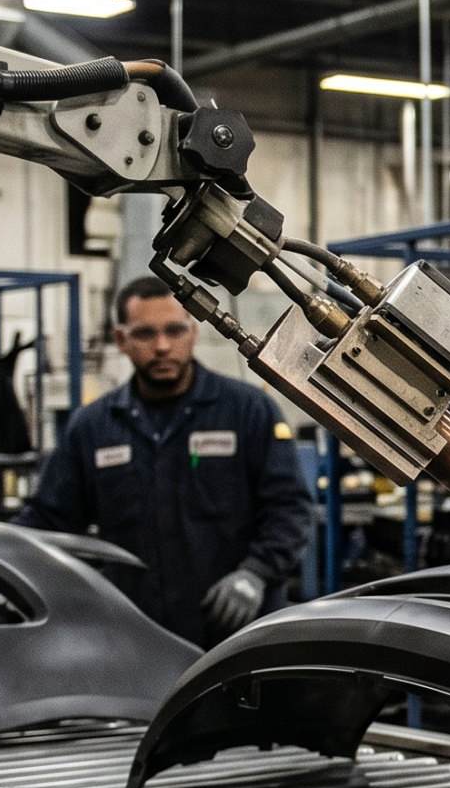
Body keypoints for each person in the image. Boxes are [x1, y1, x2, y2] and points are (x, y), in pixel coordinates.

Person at [17, 276, 313, 645]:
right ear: (121, 340)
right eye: (144, 334)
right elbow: (48, 521)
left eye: (174, 330)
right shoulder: (93, 427)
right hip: (136, 638)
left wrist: (255, 573)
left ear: (193, 332)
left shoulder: (248, 411)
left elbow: (290, 509)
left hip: (237, 637)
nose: (161, 346)